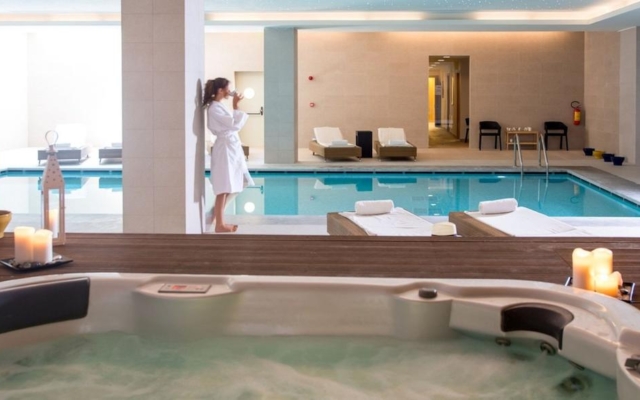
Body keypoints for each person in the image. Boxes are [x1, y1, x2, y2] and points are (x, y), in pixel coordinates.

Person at [203, 77, 254, 233]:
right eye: (228, 88)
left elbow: (233, 125)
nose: (230, 91)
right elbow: (234, 125)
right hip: (225, 149)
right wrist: (236, 105)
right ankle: (220, 224)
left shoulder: (218, 106)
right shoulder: (214, 108)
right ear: (220, 90)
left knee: (238, 182)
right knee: (224, 186)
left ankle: (217, 216)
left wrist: (234, 105)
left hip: (230, 147)